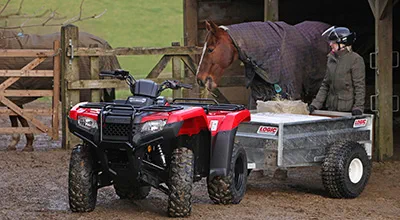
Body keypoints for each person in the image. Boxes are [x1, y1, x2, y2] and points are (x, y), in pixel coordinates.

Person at [309, 26, 365, 115]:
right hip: (332, 108)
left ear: (342, 43)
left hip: (347, 110)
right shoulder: (331, 59)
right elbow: (325, 85)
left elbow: (359, 86)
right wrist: (315, 104)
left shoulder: (355, 60)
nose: (330, 44)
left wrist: (358, 107)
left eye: (333, 42)